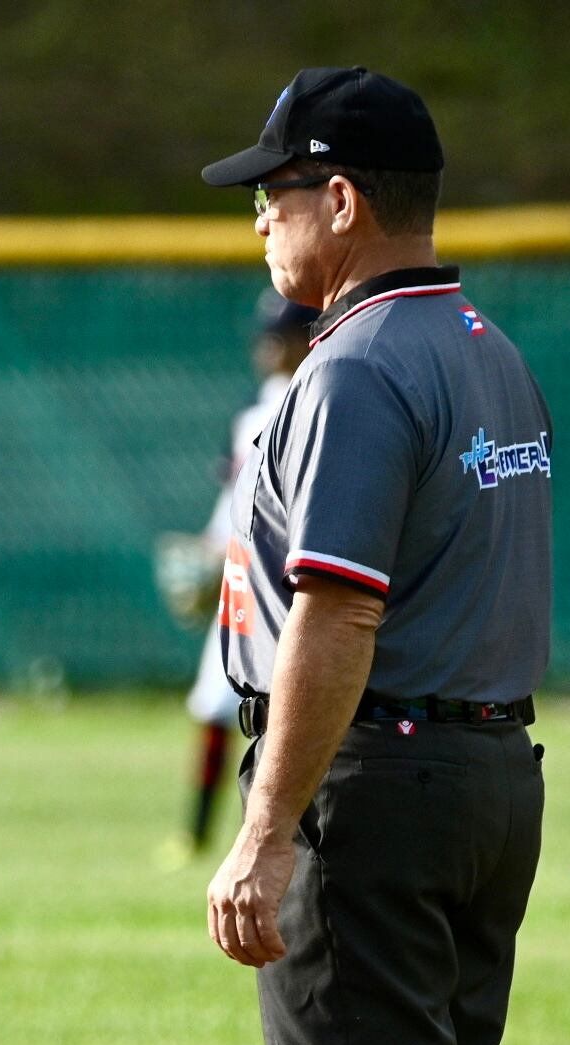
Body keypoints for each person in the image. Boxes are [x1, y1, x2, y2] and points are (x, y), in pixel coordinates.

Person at [198, 68, 554, 1045]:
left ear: (340, 200)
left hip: (375, 792)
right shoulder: (486, 350)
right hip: (489, 781)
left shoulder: (352, 368)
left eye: (277, 191)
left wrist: (261, 833)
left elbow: (339, 613)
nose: (259, 215)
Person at [165, 292, 318, 862]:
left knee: (283, 707)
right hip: (246, 577)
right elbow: (237, 501)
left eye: (281, 335)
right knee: (217, 703)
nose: (268, 347)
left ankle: (263, 831)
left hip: (282, 581)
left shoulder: (312, 399)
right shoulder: (253, 413)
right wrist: (212, 550)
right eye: (266, 336)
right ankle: (200, 832)